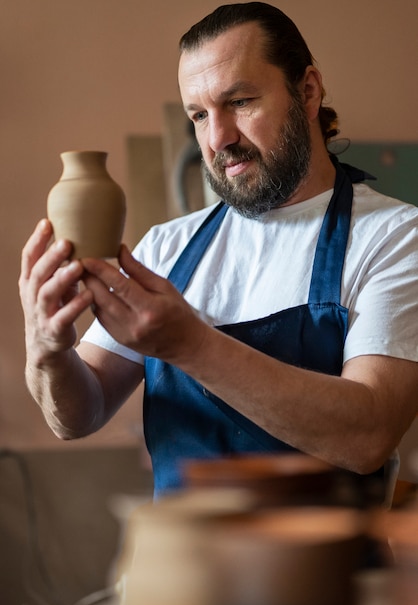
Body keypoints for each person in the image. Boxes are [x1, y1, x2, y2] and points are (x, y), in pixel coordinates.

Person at [19, 2, 418, 499]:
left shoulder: (395, 236)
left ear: (308, 91)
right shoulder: (166, 247)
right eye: (199, 115)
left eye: (241, 102)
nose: (218, 137)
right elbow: (78, 415)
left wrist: (189, 345)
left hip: (324, 573)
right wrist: (48, 352)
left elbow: (368, 436)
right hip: (185, 569)